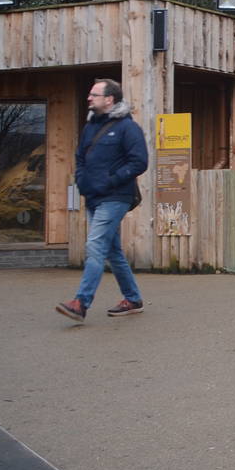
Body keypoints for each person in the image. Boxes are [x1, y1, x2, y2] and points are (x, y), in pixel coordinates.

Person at [56, 78, 148, 322]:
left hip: (116, 197)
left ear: (110, 99)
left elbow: (140, 162)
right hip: (93, 197)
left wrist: (109, 181)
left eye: (94, 95)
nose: (89, 98)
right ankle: (133, 299)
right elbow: (80, 158)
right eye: (90, 94)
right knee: (112, 251)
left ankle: (80, 303)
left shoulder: (128, 128)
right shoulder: (90, 127)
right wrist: (82, 181)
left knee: (95, 246)